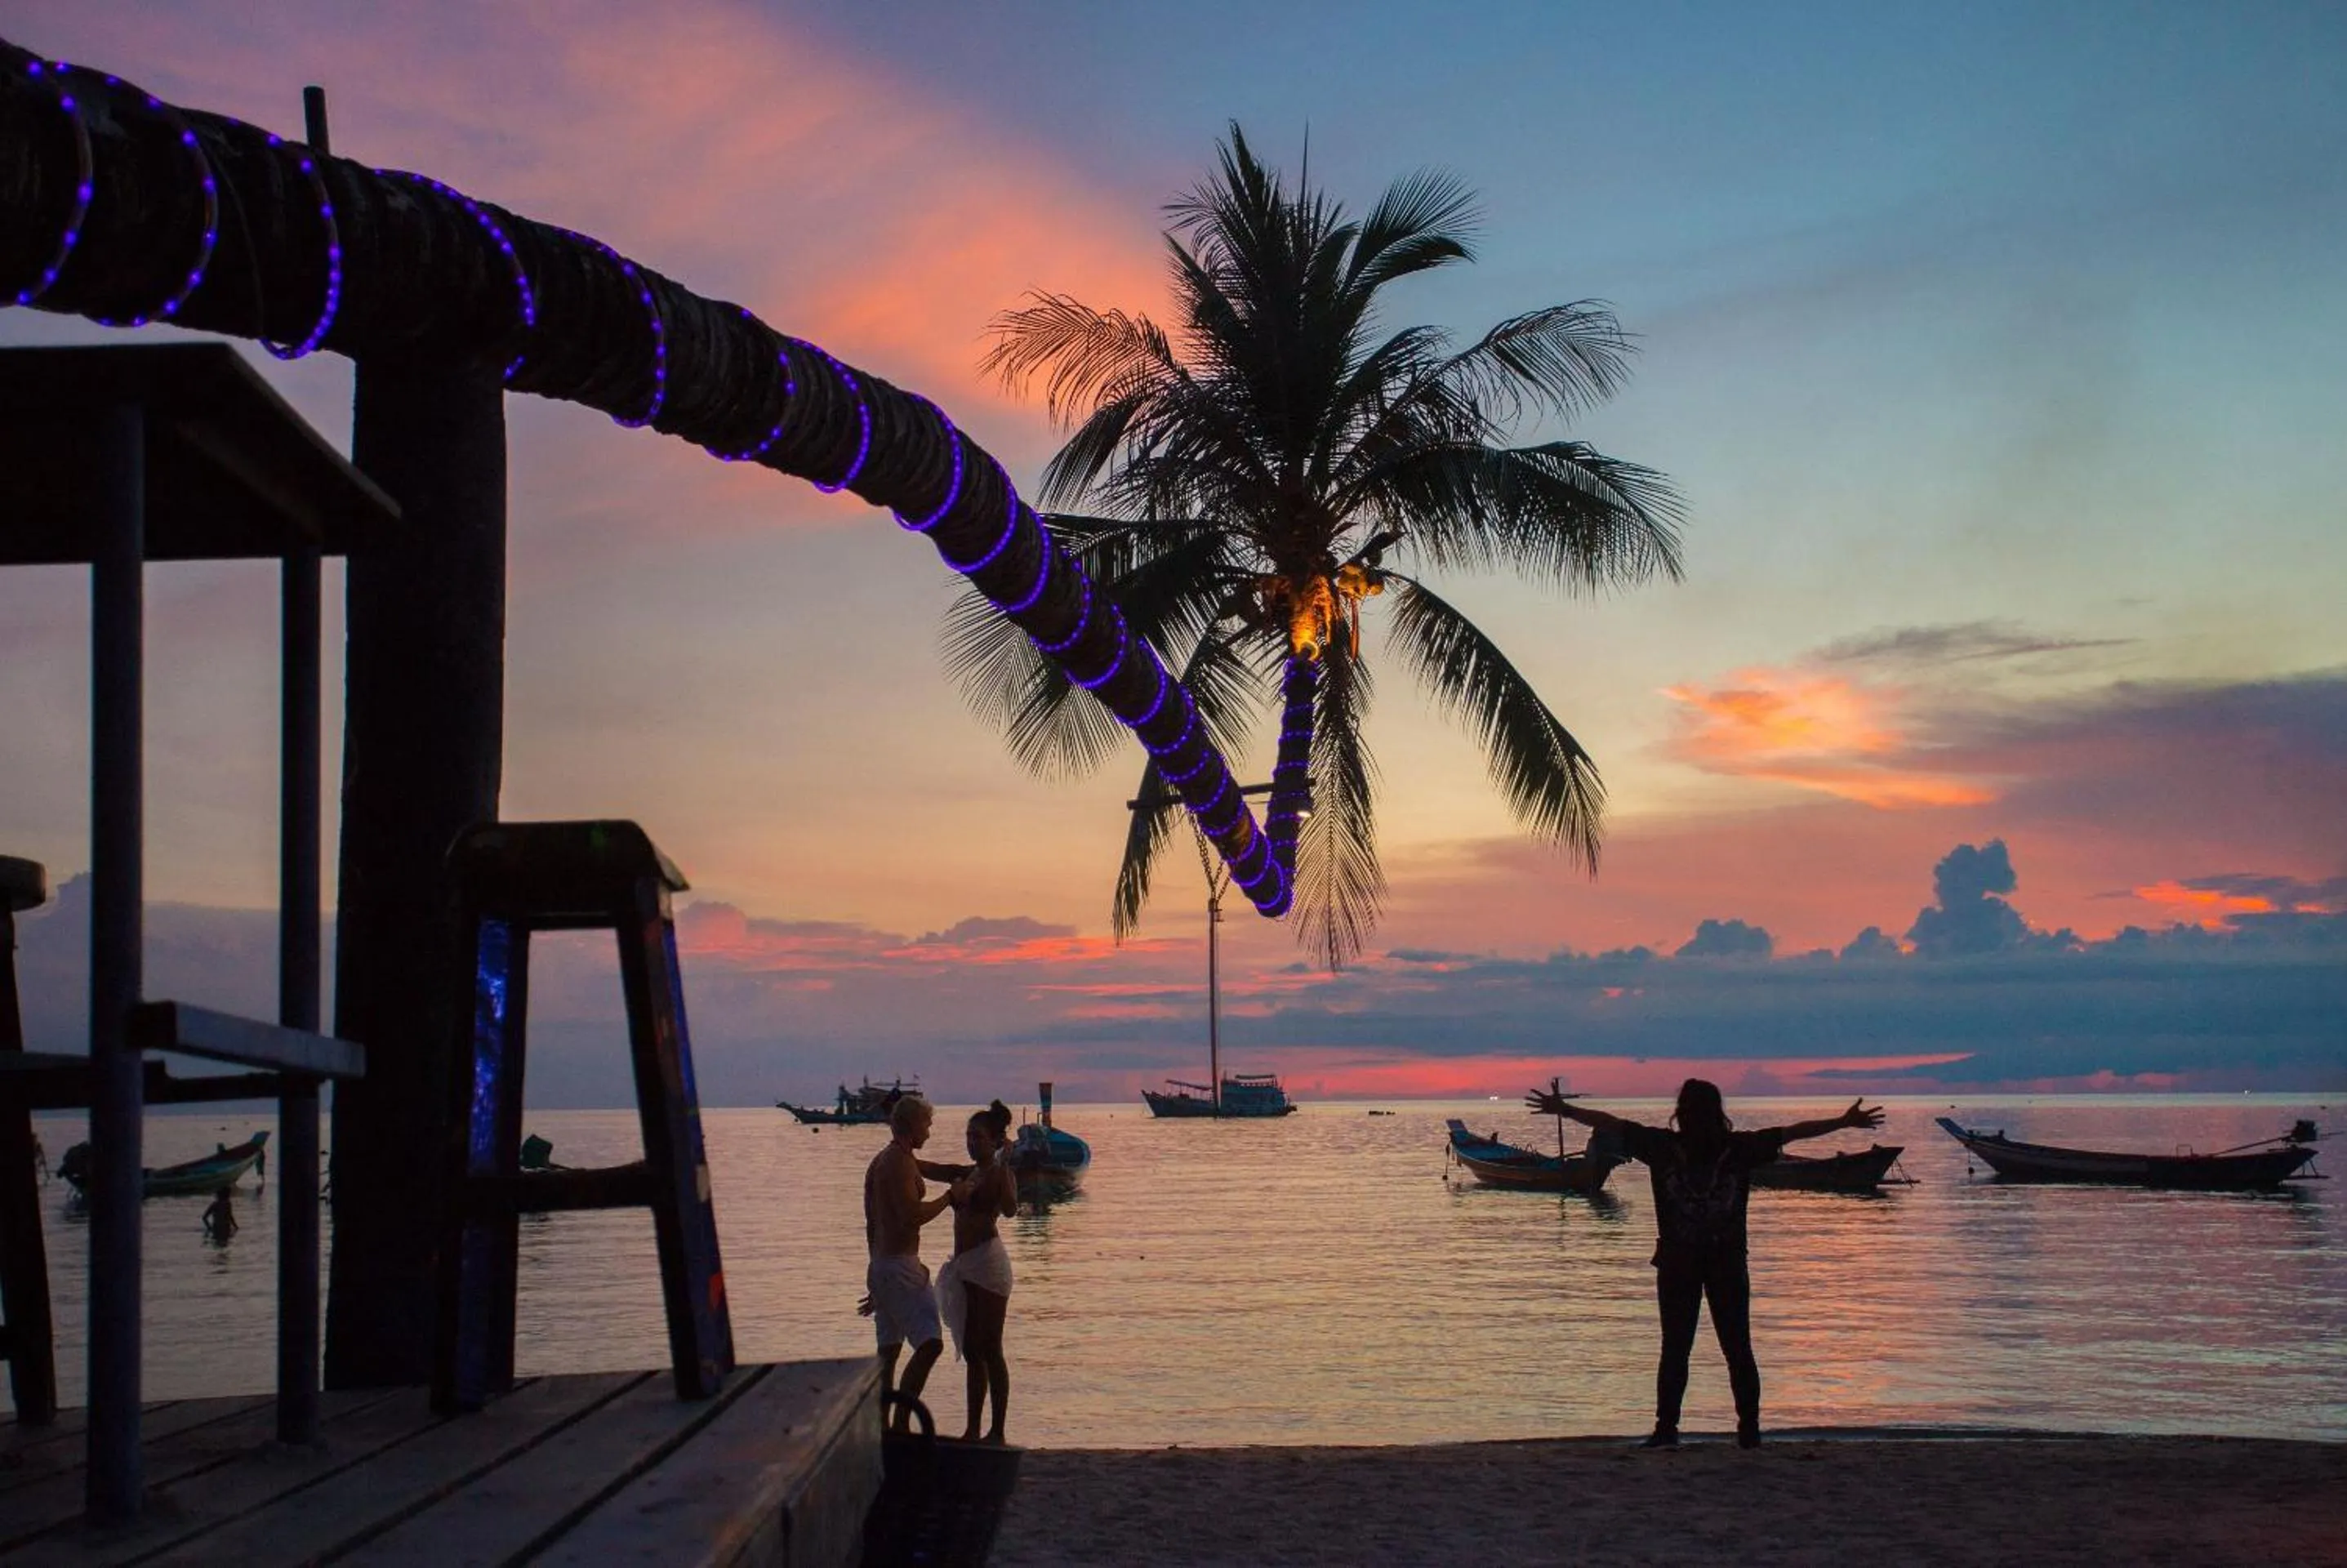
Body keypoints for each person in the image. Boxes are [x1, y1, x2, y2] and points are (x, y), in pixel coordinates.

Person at [1527, 1078, 1883, 1450]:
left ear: (1680, 1112)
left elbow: (1611, 1123)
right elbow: (1792, 1134)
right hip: (1725, 1262)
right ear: (1719, 1112)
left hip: (1679, 1264)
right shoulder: (1739, 1147)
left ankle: (1667, 1430)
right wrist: (1843, 1122)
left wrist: (1564, 1110)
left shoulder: (1662, 1146)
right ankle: (1748, 1430)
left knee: (1678, 1348)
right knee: (1737, 1348)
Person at [862, 1094, 955, 1429]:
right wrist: (948, 1199)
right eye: (927, 1125)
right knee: (930, 1344)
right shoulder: (898, 1163)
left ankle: (881, 1429)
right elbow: (911, 1216)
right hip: (899, 1266)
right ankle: (901, 1422)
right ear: (913, 1125)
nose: (929, 1133)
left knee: (888, 1352)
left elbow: (871, 1224)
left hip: (884, 1265)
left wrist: (877, 1279)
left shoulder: (885, 1160)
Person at [936, 1101, 1018, 1443]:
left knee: (990, 1348)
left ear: (995, 1141)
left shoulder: (999, 1173)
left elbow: (1012, 1210)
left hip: (989, 1265)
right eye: (968, 1136)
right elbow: (931, 1168)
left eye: (978, 1137)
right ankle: (971, 1428)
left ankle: (996, 1430)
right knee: (972, 1349)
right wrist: (900, 1151)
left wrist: (1006, 1171)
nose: (972, 1142)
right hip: (966, 1266)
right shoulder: (966, 1173)